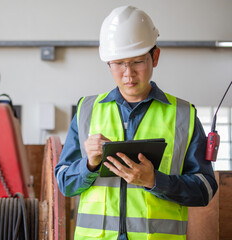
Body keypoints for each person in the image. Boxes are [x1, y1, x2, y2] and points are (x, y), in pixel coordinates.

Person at [55, 5, 218, 240]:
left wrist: (155, 181)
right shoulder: (86, 111)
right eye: (118, 63)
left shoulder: (184, 116)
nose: (128, 73)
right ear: (108, 64)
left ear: (155, 56)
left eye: (137, 62)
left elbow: (205, 189)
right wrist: (88, 165)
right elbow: (65, 184)